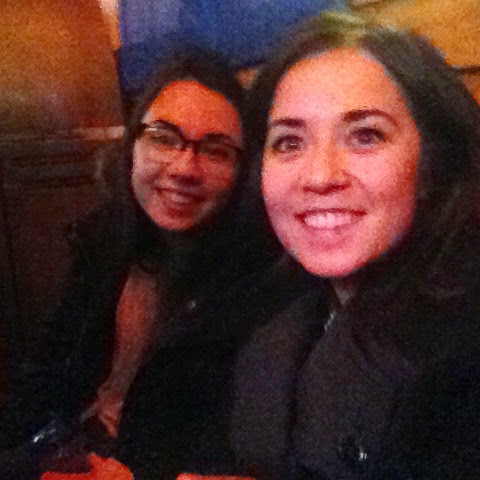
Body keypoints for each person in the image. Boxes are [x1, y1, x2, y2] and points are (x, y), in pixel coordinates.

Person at [205, 11, 480, 480]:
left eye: (365, 136)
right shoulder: (272, 318)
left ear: (433, 165)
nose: (320, 176)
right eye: (289, 142)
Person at [0, 50, 288, 479]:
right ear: (132, 146)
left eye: (215, 150)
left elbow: (228, 448)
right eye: (164, 138)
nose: (184, 167)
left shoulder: (260, 284)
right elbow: (43, 378)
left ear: (242, 173)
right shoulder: (104, 243)